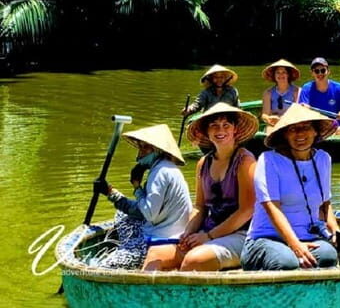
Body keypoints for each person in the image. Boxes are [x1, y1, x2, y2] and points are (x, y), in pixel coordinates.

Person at [241, 104, 340, 271]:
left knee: (328, 255)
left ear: (315, 131)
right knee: (286, 262)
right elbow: (272, 208)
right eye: (293, 129)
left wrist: (338, 235)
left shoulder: (323, 159)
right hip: (266, 239)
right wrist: (295, 245)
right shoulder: (268, 161)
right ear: (285, 135)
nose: (300, 134)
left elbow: (325, 204)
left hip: (307, 237)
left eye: (306, 127)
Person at [92, 124, 192, 270]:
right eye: (140, 148)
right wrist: (110, 193)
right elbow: (142, 211)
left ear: (157, 151)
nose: (140, 154)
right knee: (121, 214)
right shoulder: (164, 168)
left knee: (106, 267)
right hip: (166, 228)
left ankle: (127, 253)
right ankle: (127, 247)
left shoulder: (159, 173)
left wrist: (138, 189)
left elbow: (149, 214)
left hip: (164, 238)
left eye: (145, 148)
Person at [179, 103, 258, 270]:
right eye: (214, 126)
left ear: (235, 129)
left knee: (193, 261)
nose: (220, 131)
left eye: (226, 125)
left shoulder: (245, 161)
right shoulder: (203, 163)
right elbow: (200, 207)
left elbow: (247, 210)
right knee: (163, 255)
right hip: (210, 230)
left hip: (243, 233)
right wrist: (187, 233)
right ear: (207, 132)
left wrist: (208, 236)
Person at [297, 57, 340, 136]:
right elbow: (303, 112)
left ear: (328, 71)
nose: (320, 74)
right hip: (315, 128)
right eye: (316, 71)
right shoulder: (306, 88)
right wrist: (305, 109)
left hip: (335, 126)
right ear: (312, 73)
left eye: (323, 70)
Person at [260, 59, 301, 130]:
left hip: (291, 123)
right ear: (274, 75)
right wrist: (269, 118)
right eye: (277, 73)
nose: (280, 75)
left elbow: (297, 112)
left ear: (288, 75)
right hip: (274, 124)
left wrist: (282, 119)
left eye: (284, 72)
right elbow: (265, 114)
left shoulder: (297, 91)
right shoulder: (268, 93)